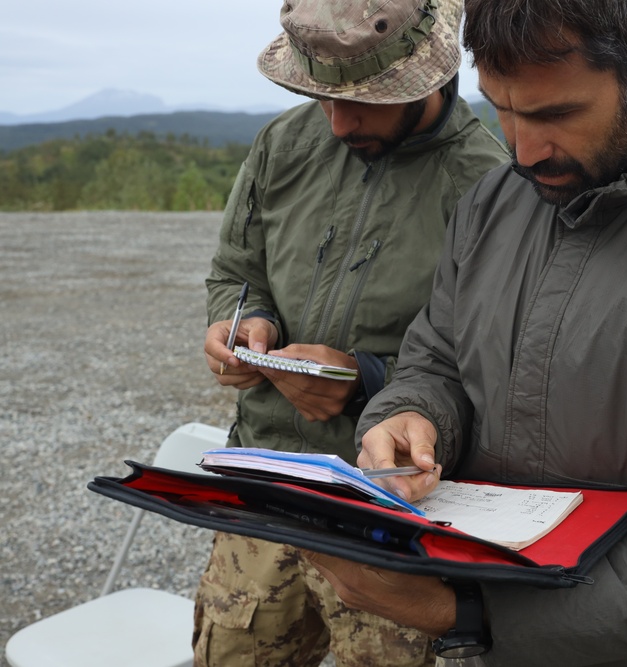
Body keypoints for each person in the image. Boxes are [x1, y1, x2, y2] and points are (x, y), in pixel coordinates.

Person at [304, 1, 627, 665]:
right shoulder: (492, 205)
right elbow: (435, 358)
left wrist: (458, 612)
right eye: (500, 106)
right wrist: (412, 416)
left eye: (555, 114)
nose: (523, 150)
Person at [196, 0, 507, 664]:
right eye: (321, 96)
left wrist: (368, 381)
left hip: (391, 520)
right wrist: (245, 319)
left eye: (363, 101)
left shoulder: (487, 184)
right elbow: (235, 269)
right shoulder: (284, 144)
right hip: (265, 486)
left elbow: (497, 367)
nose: (338, 122)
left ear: (424, 77)